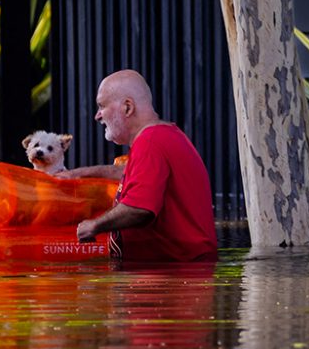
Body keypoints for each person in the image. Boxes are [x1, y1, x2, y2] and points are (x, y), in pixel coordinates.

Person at [61, 69, 217, 262]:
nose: (97, 116)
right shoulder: (161, 136)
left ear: (127, 107)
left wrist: (94, 225)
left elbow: (140, 208)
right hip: (175, 275)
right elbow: (128, 173)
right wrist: (77, 174)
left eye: (102, 106)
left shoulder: (150, 142)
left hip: (171, 279)